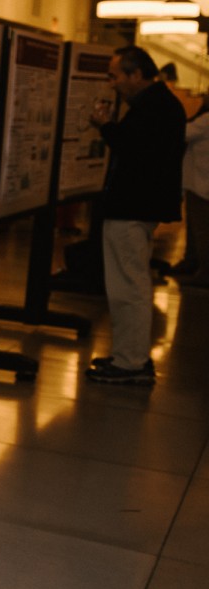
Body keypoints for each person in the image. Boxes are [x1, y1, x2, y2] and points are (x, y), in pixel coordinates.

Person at [86, 45, 186, 384]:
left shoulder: (154, 107)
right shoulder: (158, 104)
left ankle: (130, 363)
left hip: (133, 207)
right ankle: (129, 355)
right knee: (129, 283)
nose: (113, 83)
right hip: (137, 206)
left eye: (116, 76)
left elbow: (135, 150)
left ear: (136, 74)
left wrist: (105, 127)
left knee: (128, 286)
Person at [176, 97, 209, 288]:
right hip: (200, 182)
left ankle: (204, 272)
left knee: (202, 230)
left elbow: (182, 133)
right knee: (197, 228)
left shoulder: (205, 121)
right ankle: (192, 261)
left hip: (200, 183)